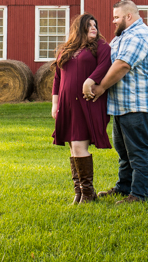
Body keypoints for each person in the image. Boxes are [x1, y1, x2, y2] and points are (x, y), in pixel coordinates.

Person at [84, 0, 148, 203]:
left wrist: (101, 87)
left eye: (116, 17)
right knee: (124, 151)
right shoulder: (122, 37)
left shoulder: (139, 35)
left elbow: (121, 65)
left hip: (139, 105)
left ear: (128, 17)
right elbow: (105, 59)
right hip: (123, 106)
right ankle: (124, 187)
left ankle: (139, 194)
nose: (113, 21)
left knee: (139, 151)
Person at [51, 13, 112, 204]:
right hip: (67, 105)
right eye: (89, 25)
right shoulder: (67, 49)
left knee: (78, 146)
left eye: (95, 25)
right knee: (73, 147)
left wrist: (90, 80)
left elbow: (105, 65)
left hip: (86, 102)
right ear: (79, 28)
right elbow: (57, 78)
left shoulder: (101, 47)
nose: (94, 28)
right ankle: (79, 192)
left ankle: (87, 193)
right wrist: (55, 103)